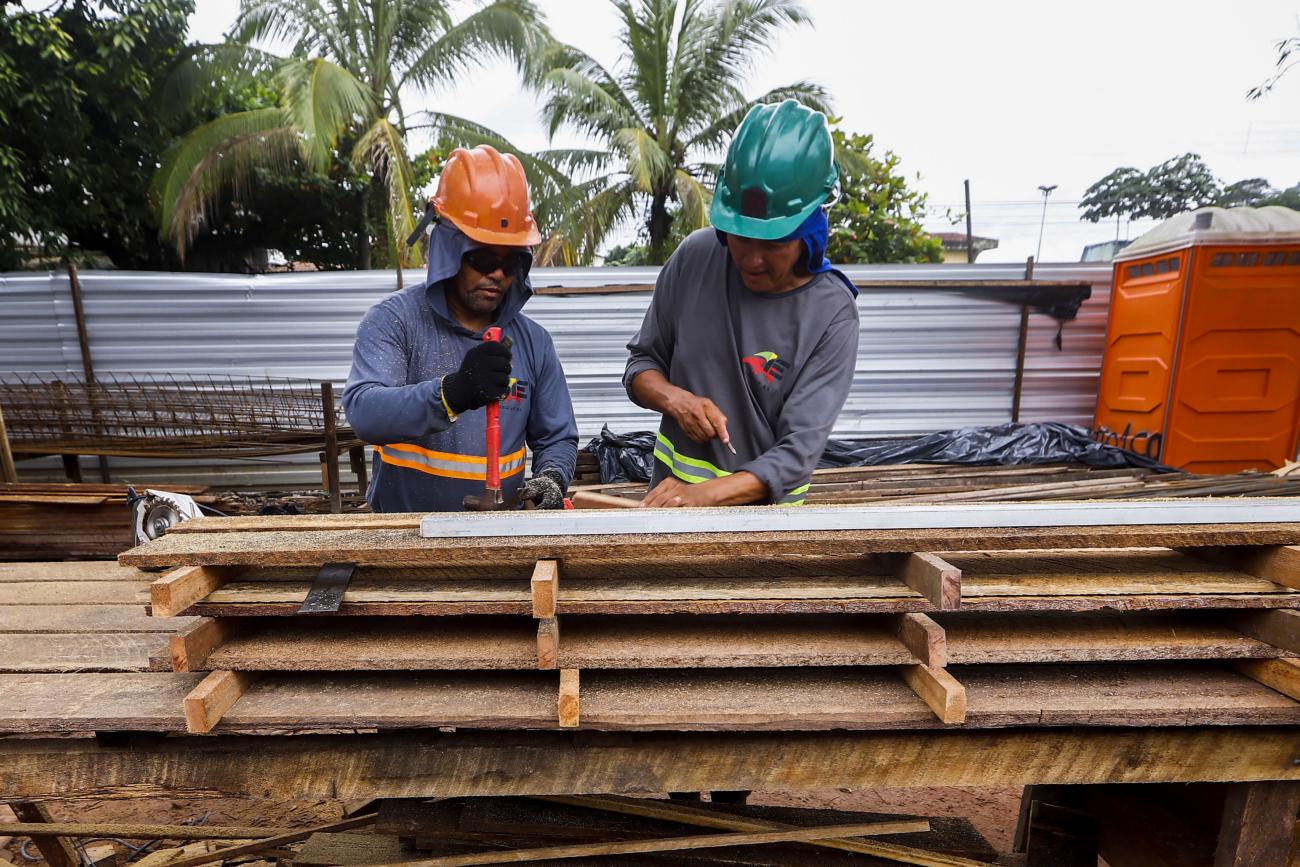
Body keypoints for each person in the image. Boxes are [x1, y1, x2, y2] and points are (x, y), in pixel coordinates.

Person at [624, 99, 860, 508]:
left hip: (767, 535)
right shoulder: (695, 257)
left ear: (811, 227)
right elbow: (641, 366)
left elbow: (797, 454)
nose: (751, 259)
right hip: (666, 522)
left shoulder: (832, 313)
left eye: (772, 243)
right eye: (739, 235)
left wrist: (699, 497)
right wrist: (676, 400)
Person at [343, 145, 578, 512]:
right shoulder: (395, 321)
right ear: (449, 253)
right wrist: (454, 393)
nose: (497, 274)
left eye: (511, 261)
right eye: (482, 258)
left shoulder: (534, 342)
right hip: (403, 540)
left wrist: (551, 476)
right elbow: (365, 413)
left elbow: (558, 436)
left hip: (499, 542)